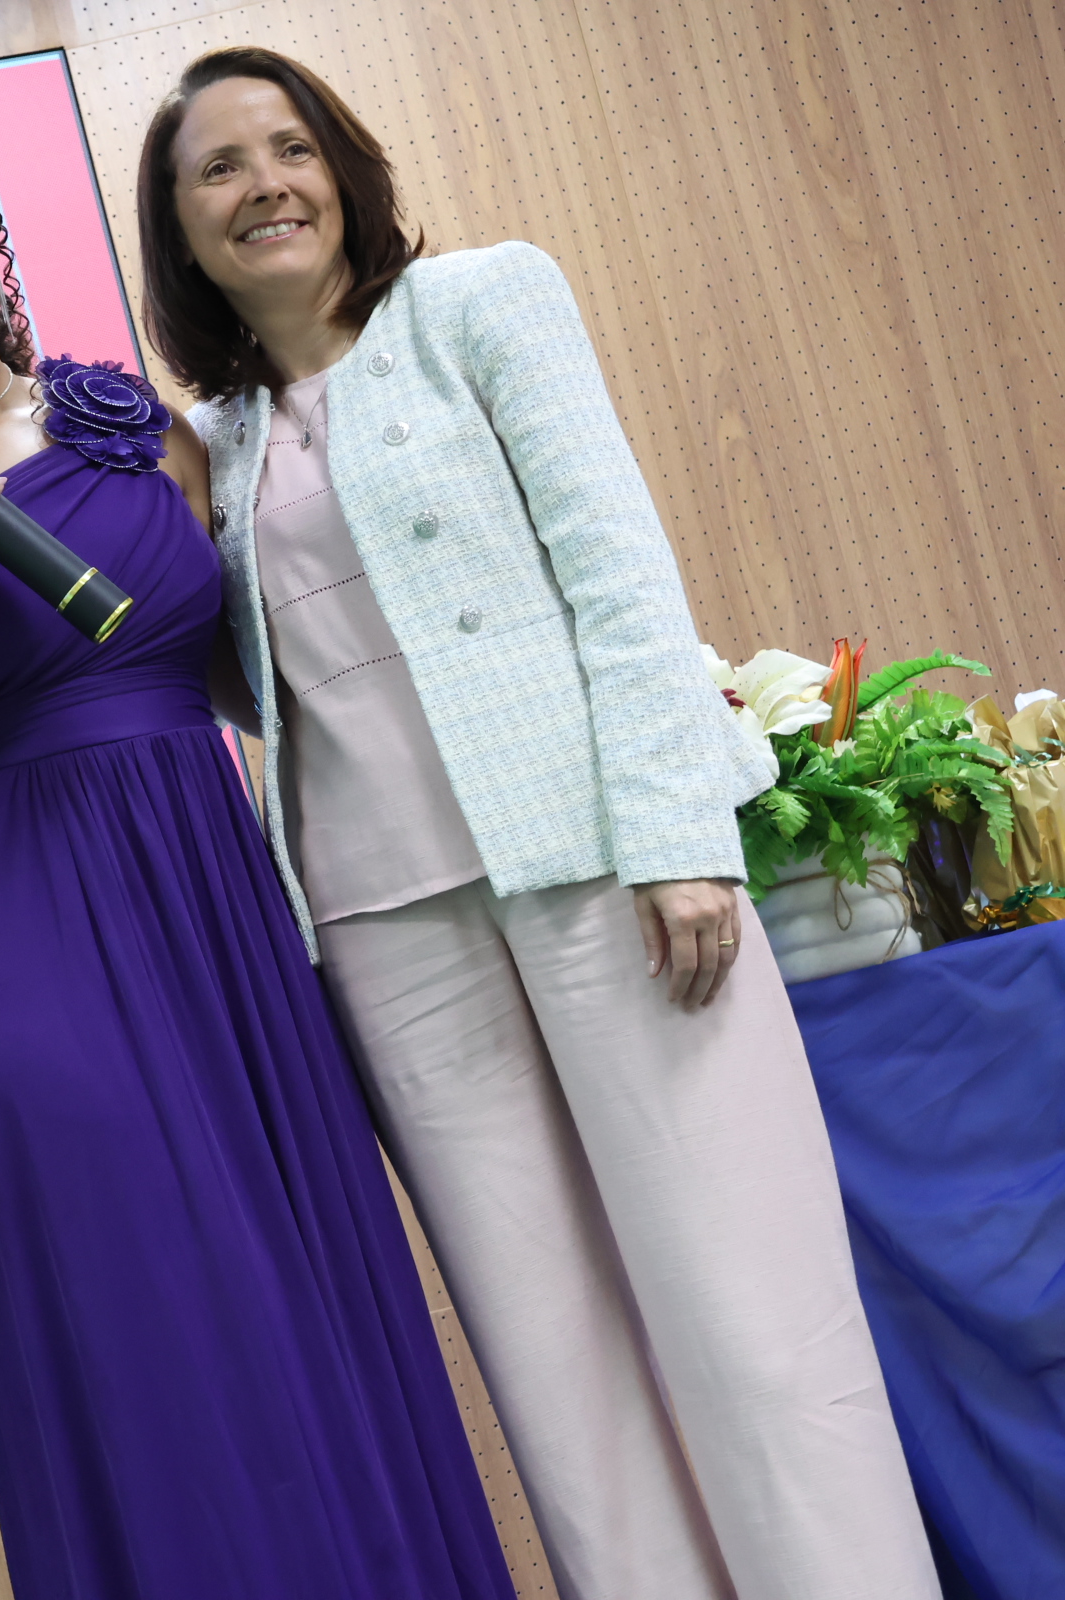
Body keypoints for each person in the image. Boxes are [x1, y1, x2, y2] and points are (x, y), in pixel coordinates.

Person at [136, 46, 939, 1600]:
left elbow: (617, 564)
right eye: (216, 168)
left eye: (287, 147)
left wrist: (680, 838)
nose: (263, 186)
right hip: (385, 929)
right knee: (557, 1371)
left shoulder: (480, 303)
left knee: (756, 1326)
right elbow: (256, 682)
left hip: (603, 874)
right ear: (178, 229)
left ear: (342, 165)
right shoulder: (211, 442)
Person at [0, 110, 515, 1599]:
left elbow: (257, 673)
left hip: (216, 903)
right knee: (152, 1308)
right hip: (19, 934)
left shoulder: (138, 425)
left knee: (297, 1282)